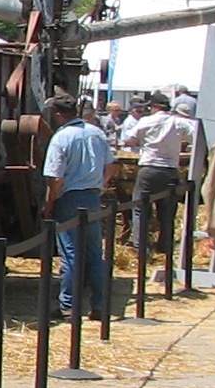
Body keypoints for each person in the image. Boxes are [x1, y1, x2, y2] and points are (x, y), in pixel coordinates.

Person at [41, 94, 111, 317]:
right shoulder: (96, 133)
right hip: (92, 197)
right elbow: (113, 166)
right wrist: (101, 184)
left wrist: (50, 203)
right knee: (94, 254)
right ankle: (99, 305)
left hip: (69, 199)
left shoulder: (61, 138)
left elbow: (56, 178)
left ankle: (68, 305)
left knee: (71, 254)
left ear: (58, 114)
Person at [116, 91, 192, 277]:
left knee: (140, 209)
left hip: (149, 168)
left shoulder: (146, 121)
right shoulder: (178, 122)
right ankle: (164, 247)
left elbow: (128, 140)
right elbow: (194, 136)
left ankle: (141, 247)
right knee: (167, 212)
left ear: (154, 106)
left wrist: (143, 141)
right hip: (170, 170)